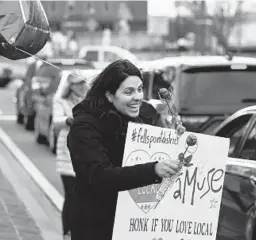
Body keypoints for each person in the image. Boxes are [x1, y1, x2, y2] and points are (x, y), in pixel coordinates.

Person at [67, 59, 183, 240]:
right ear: (109, 95)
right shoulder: (84, 128)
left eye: (140, 89)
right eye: (128, 91)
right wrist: (153, 170)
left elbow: (162, 157)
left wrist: (175, 139)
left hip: (135, 227)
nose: (137, 97)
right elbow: (100, 176)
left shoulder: (143, 117)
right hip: (97, 228)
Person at [54, 73, 90, 240]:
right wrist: (69, 120)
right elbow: (56, 121)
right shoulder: (61, 101)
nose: (82, 86)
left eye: (83, 82)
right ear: (71, 86)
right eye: (78, 84)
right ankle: (67, 233)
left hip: (85, 155)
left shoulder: (89, 102)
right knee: (71, 195)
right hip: (66, 153)